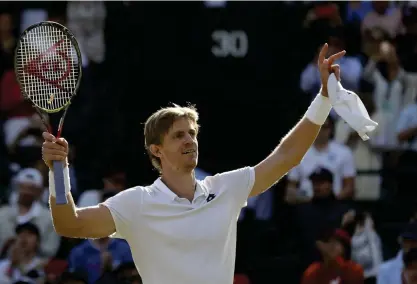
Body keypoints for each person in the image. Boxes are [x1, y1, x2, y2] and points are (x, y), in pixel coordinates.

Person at [42, 43, 346, 284]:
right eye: (178, 136)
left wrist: (323, 99)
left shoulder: (226, 187)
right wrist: (58, 169)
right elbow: (70, 223)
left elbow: (286, 156)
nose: (189, 140)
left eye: (192, 134)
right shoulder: (136, 203)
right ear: (157, 150)